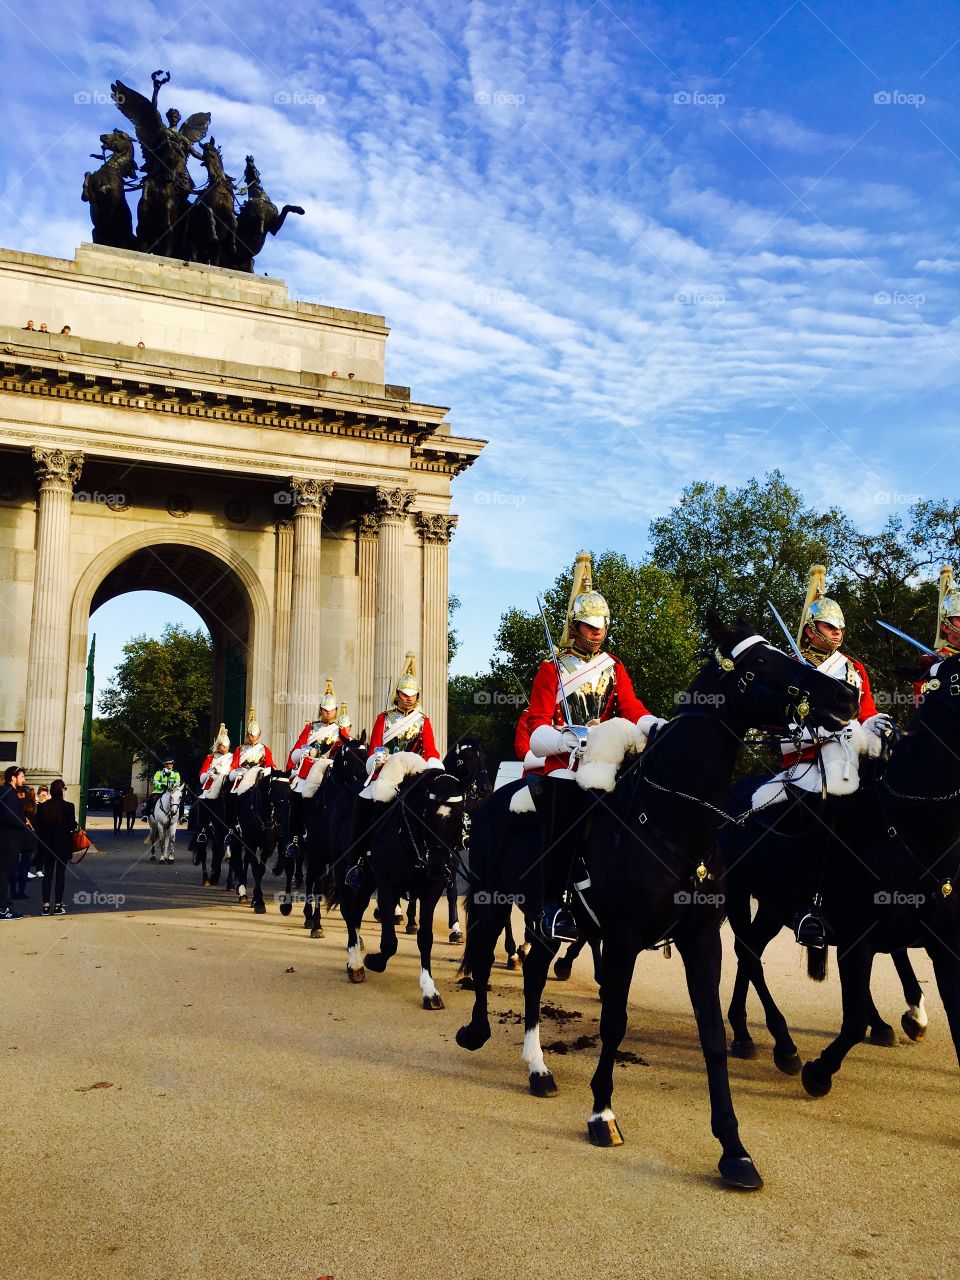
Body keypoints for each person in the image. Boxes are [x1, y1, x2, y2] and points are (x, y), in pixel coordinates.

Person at [525, 551, 662, 941]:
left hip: (605, 757)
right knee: (566, 813)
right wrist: (564, 738)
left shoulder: (614, 666)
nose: (596, 631)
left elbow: (631, 707)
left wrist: (654, 725)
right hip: (564, 762)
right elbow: (536, 724)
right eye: (588, 625)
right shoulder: (552, 667)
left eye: (601, 625)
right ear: (575, 625)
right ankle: (553, 905)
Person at [755, 567, 891, 949]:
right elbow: (778, 724)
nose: (837, 634)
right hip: (804, 762)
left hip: (851, 759)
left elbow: (866, 711)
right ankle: (807, 908)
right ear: (811, 629)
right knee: (818, 811)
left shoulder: (853, 668)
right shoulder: (791, 668)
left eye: (840, 629)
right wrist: (815, 734)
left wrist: (878, 724)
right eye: (830, 628)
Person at [367, 653, 441, 771]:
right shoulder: (385, 717)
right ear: (397, 694)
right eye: (405, 694)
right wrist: (379, 761)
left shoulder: (423, 720)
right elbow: (376, 746)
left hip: (414, 770)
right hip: (388, 769)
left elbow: (430, 749)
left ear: (417, 696)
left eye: (413, 695)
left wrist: (432, 764)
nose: (409, 698)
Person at [195, 724, 232, 885]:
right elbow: (202, 774)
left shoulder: (232, 757)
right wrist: (208, 774)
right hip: (211, 790)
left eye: (227, 746)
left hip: (226, 788)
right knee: (203, 801)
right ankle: (202, 830)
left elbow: (235, 770)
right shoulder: (211, 758)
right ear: (218, 745)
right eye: (222, 746)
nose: (225, 748)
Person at [33, 778, 76, 916]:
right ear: (62, 791)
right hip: (63, 845)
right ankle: (58, 905)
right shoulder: (69, 806)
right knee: (60, 875)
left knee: (48, 876)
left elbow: (38, 828)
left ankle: (45, 906)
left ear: (51, 791)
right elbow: (71, 826)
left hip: (47, 845)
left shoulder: (42, 807)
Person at [0, 765, 27, 919]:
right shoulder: (9, 794)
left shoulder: (5, 792)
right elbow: (10, 818)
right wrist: (24, 825)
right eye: (21, 776)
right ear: (13, 778)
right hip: (8, 842)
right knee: (4, 875)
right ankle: (2, 909)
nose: (23, 779)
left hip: (5, 841)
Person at [10, 785, 38, 901]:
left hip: (16, 838)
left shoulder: (16, 805)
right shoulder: (34, 807)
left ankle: (12, 891)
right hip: (29, 839)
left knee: (13, 867)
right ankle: (21, 891)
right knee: (24, 867)